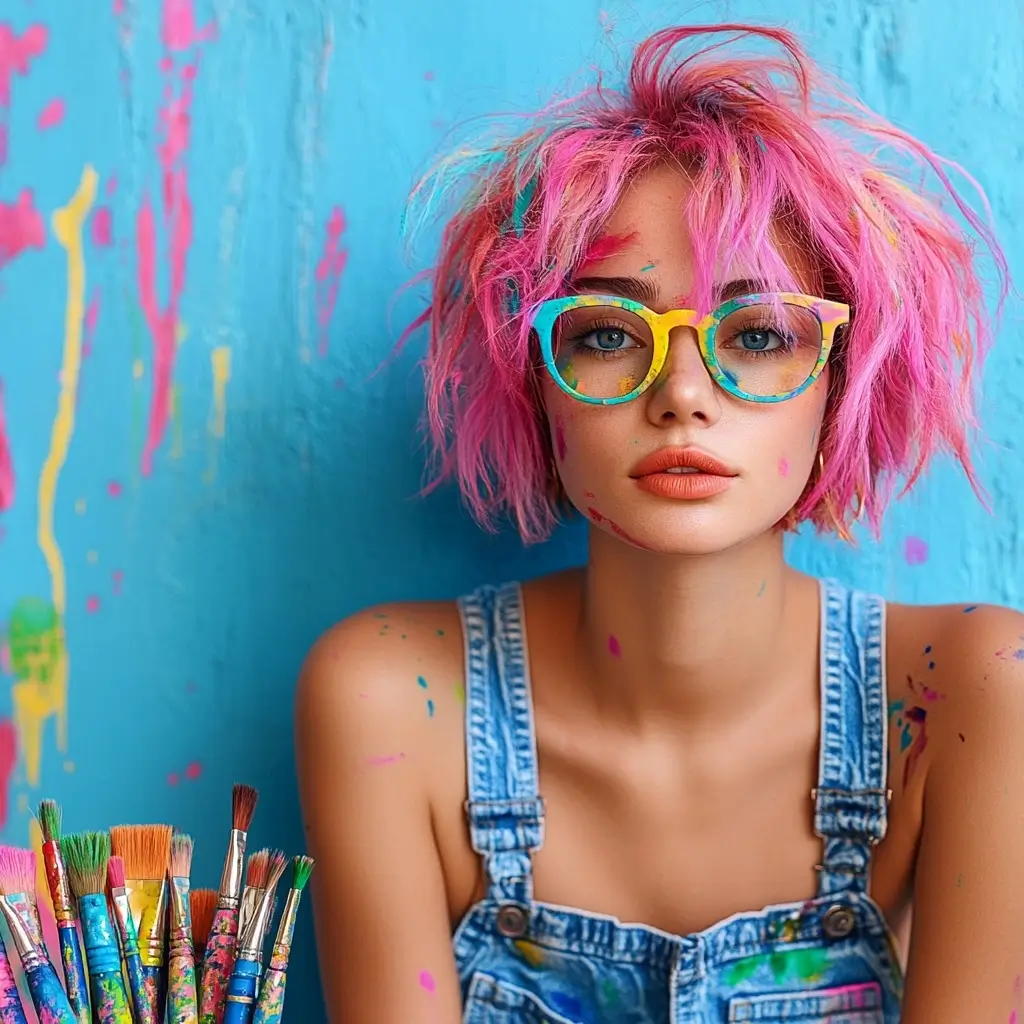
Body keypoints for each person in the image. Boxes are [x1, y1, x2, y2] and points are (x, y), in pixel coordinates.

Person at [296, 22, 1022, 1023]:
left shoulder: (973, 699)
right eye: (605, 334)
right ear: (535, 383)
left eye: (759, 332)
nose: (682, 392)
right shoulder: (392, 705)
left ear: (840, 383)